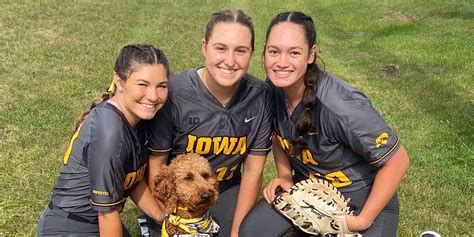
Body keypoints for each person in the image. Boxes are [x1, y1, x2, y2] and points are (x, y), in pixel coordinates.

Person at [240, 11, 410, 237]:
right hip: (309, 198)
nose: (281, 62)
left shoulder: (341, 105)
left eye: (294, 52)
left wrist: (360, 221)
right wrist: (285, 175)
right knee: (254, 231)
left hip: (362, 203)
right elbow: (278, 137)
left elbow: (398, 161)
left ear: (311, 54)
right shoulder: (272, 90)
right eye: (274, 51)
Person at [140, 9, 273, 237]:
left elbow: (253, 171)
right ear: (204, 47)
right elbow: (157, 165)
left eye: (240, 50)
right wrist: (165, 212)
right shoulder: (175, 93)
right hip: (179, 192)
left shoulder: (260, 97)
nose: (229, 61)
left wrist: (238, 230)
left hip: (227, 188)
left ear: (251, 53)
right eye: (220, 48)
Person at [37, 44, 170, 236]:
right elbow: (107, 215)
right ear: (119, 82)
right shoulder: (110, 132)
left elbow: (131, 178)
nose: (153, 96)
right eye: (143, 84)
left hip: (96, 222)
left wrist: (161, 216)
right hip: (70, 227)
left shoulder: (137, 116)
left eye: (161, 86)